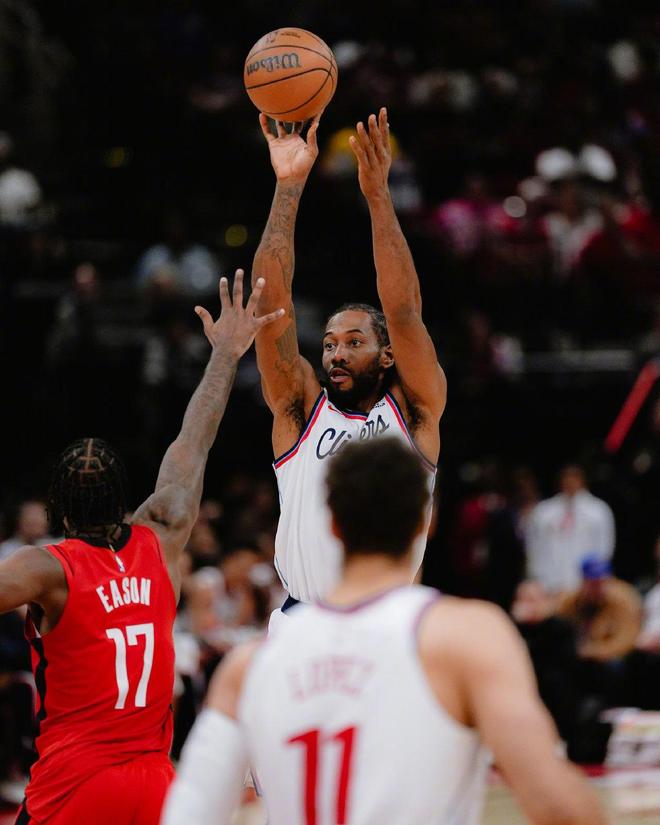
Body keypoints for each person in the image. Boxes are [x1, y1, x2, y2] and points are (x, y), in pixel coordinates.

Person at [163, 438, 606, 825]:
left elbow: (188, 814)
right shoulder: (466, 638)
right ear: (426, 523)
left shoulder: (248, 666)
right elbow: (558, 806)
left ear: (332, 525)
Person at [0, 271, 282, 825]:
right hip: (156, 784)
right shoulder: (163, 533)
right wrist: (226, 354)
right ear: (122, 498)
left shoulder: (47, 568)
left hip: (75, 783)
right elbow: (194, 441)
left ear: (59, 508)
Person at [251, 107, 447, 611]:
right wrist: (288, 186)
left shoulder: (413, 410)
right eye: (330, 343)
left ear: (387, 355)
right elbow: (270, 304)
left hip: (387, 619)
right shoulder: (300, 409)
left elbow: (403, 311)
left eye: (355, 342)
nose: (336, 353)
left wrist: (378, 195)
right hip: (303, 620)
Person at [524, 464, 615, 593]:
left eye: (574, 478)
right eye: (567, 478)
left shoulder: (598, 510)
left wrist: (596, 577)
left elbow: (604, 548)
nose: (570, 482)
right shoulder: (544, 511)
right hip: (549, 582)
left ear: (582, 480)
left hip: (585, 583)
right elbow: (533, 547)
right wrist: (536, 576)